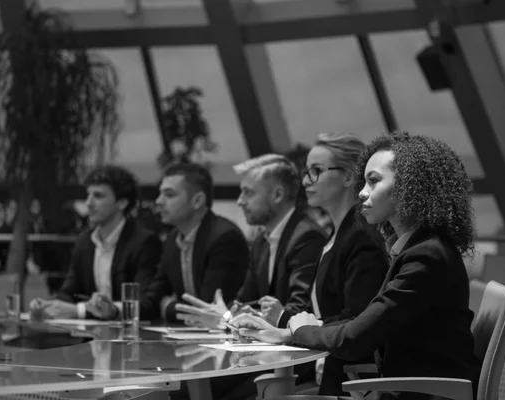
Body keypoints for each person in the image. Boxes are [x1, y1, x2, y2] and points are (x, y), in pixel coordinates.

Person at [231, 131, 480, 400]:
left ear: (410, 186)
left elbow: (354, 338)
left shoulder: (426, 256)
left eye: (373, 182)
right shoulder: (421, 249)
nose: (361, 192)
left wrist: (297, 331)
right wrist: (288, 332)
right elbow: (360, 326)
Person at [266, 133, 389, 395]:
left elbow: (356, 317)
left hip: (352, 381)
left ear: (347, 177)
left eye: (316, 171)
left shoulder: (362, 237)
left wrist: (286, 325)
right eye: (306, 172)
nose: (305, 181)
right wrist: (283, 321)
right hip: (332, 367)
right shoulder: (339, 234)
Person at [175, 154, 326, 329]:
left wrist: (226, 318)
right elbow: (244, 302)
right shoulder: (262, 240)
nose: (240, 201)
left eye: (248, 192)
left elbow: (299, 312)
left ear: (277, 195)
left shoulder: (307, 238)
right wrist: (227, 314)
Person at [30, 165, 163, 321]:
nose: (88, 203)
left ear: (121, 203)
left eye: (98, 196)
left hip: (132, 337)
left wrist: (85, 310)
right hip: (93, 336)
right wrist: (50, 305)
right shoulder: (84, 242)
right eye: (88, 195)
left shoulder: (144, 242)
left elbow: (147, 305)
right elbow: (69, 293)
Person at [154, 163, 249, 323]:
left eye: (169, 195)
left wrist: (167, 306)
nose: (158, 201)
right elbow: (155, 295)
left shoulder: (224, 237)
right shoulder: (173, 239)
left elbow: (209, 309)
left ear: (197, 200)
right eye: (160, 194)